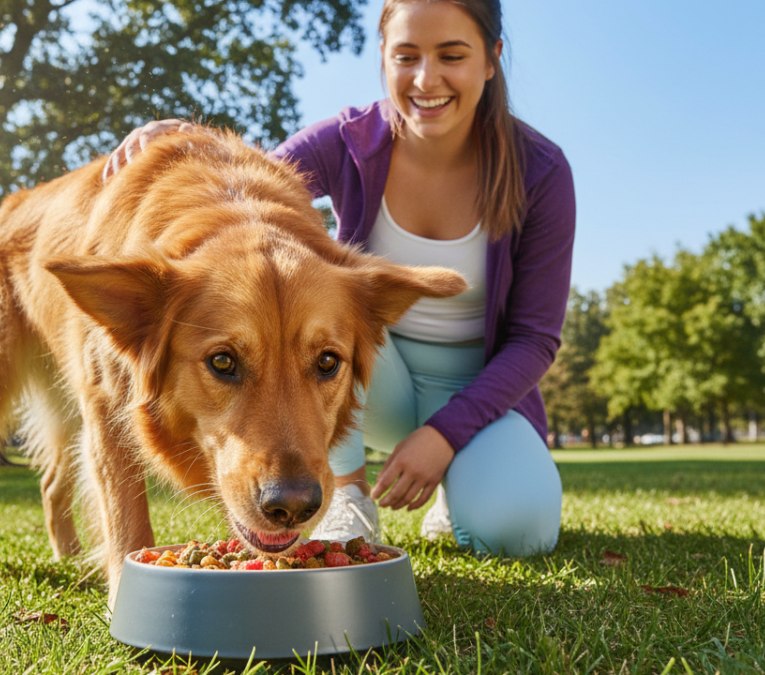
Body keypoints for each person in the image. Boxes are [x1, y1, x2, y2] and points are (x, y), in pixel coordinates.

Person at [104, 0, 574, 556]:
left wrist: (443, 436)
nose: (427, 79)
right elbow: (249, 194)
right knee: (313, 327)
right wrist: (183, 143)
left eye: (452, 55)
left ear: (491, 59)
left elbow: (534, 339)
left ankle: (459, 482)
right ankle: (348, 490)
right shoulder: (348, 141)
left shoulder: (541, 170)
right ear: (383, 56)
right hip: (376, 377)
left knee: (519, 532)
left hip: (480, 386)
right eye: (406, 55)